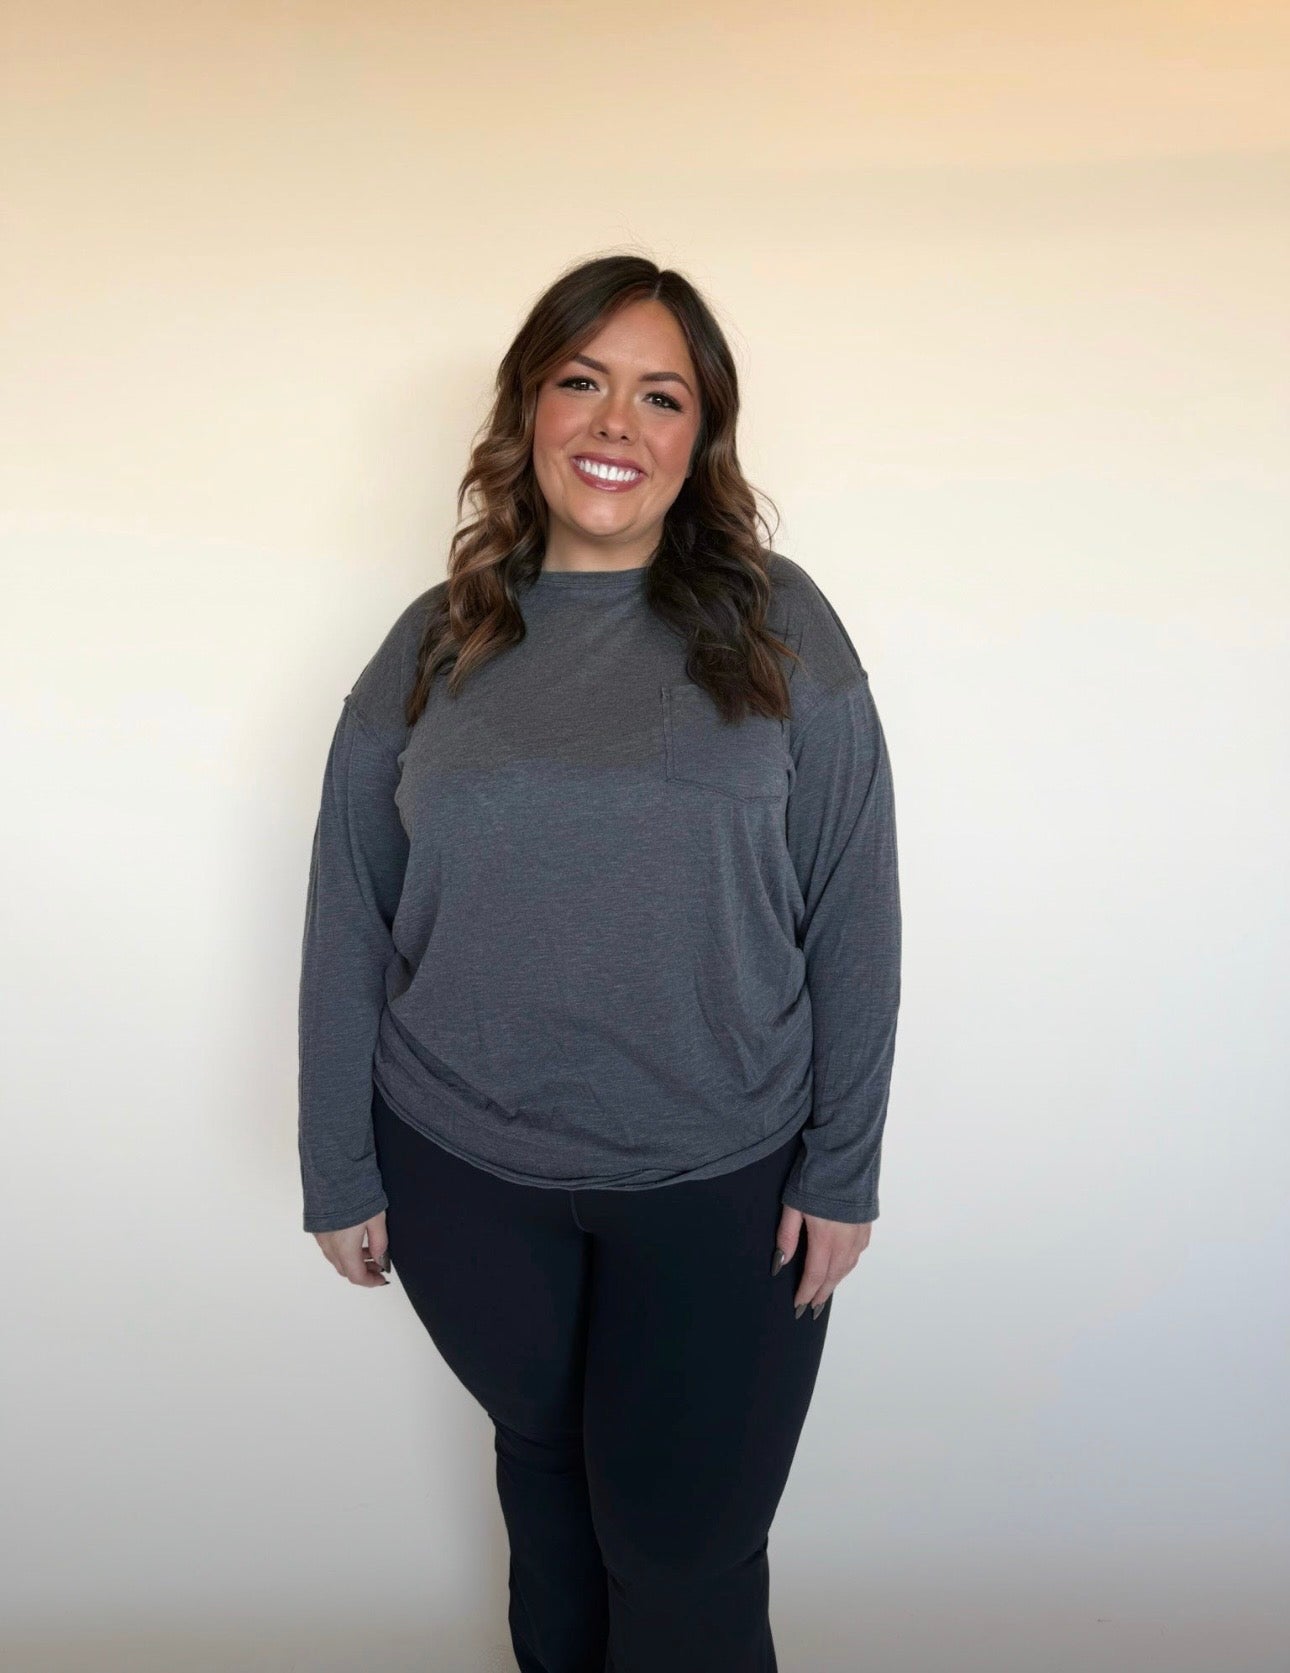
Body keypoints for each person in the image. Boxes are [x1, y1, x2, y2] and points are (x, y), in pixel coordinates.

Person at [297, 253, 902, 1673]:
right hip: (463, 1181)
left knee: (681, 1553)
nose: (613, 420)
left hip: (723, 1184)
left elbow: (853, 905)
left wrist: (842, 1166)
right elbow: (347, 906)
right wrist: (339, 1161)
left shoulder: (777, 623)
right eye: (579, 380)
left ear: (700, 438)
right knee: (555, 1502)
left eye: (658, 393)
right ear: (527, 408)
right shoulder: (433, 640)